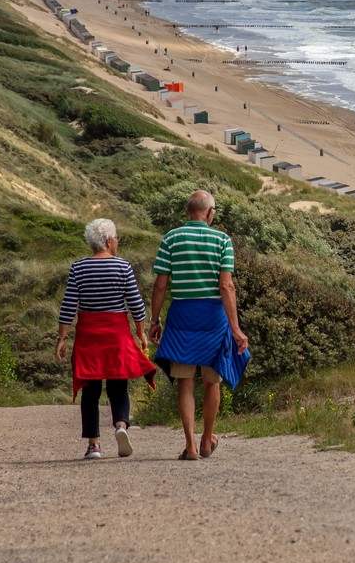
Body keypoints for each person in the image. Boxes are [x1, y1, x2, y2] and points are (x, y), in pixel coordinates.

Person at [151, 191, 250, 461]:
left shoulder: (171, 238)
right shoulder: (222, 240)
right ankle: (207, 440)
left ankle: (190, 445)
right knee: (211, 381)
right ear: (210, 213)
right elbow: (226, 286)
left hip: (182, 316)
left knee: (184, 381)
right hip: (212, 318)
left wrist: (154, 320)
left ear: (187, 213)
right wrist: (236, 327)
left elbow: (160, 284)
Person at [56, 218, 155, 460]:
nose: (117, 242)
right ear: (109, 241)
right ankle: (121, 425)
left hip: (89, 333)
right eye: (117, 238)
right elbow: (135, 304)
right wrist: (141, 332)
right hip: (116, 333)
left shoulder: (78, 268)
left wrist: (62, 337)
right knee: (118, 384)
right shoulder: (123, 266)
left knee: (90, 390)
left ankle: (94, 446)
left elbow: (69, 305)